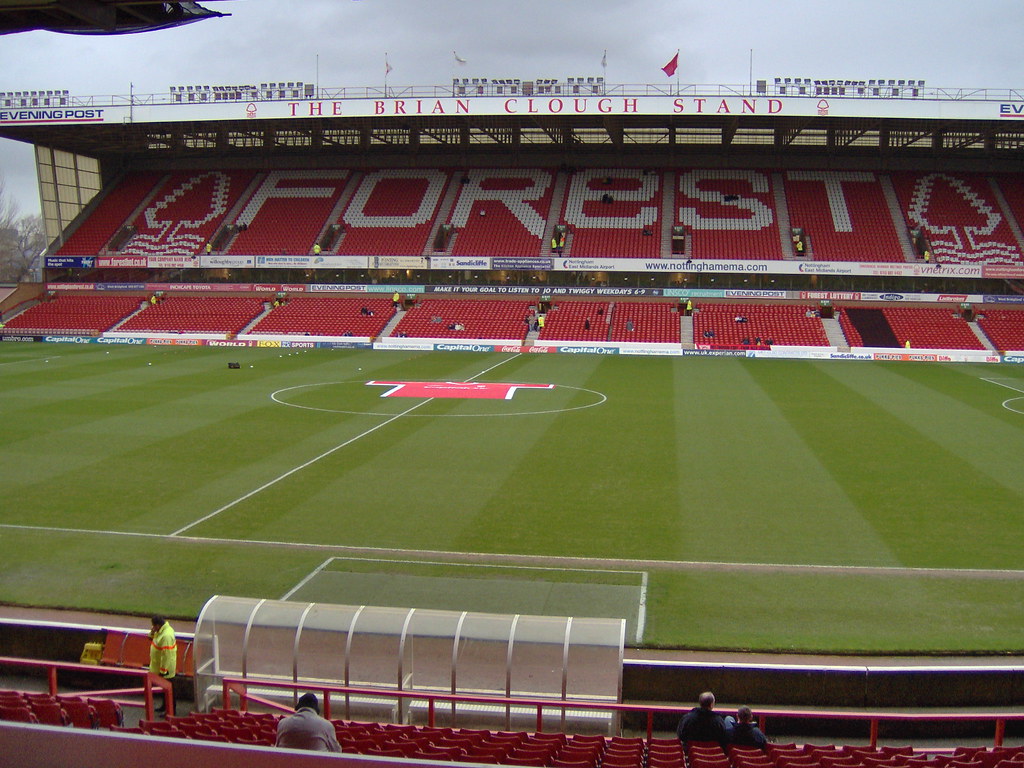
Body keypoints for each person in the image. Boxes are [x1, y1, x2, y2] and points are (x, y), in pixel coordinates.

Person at [275, 693, 342, 752]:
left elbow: (277, 748)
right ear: (315, 709)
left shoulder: (283, 723)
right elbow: (336, 751)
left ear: (298, 707)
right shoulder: (326, 725)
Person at [149, 616, 176, 681]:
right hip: (156, 669)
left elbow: (166, 655)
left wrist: (163, 672)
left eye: (153, 626)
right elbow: (151, 638)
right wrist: (152, 633)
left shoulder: (166, 636)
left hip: (164, 674)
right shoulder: (160, 631)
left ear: (157, 625)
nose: (152, 627)